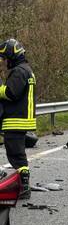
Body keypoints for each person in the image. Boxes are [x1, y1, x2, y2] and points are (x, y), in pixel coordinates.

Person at [0, 39, 36, 200]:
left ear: (12, 55)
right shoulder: (26, 70)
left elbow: (10, 93)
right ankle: (23, 186)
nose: (4, 62)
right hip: (21, 119)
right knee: (18, 154)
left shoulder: (19, 71)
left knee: (16, 155)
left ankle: (24, 188)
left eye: (5, 58)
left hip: (16, 120)